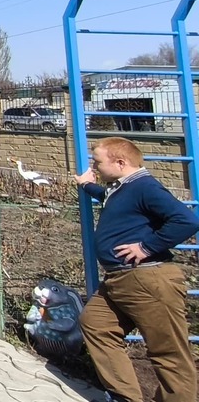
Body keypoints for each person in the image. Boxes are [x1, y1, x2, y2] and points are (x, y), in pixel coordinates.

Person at [76, 137, 199, 402]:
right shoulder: (122, 188)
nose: (95, 167)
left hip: (146, 278)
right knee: (96, 324)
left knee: (168, 352)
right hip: (120, 279)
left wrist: (146, 247)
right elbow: (107, 197)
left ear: (120, 163)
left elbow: (186, 220)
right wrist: (87, 185)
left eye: (98, 162)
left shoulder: (145, 186)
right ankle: (125, 396)